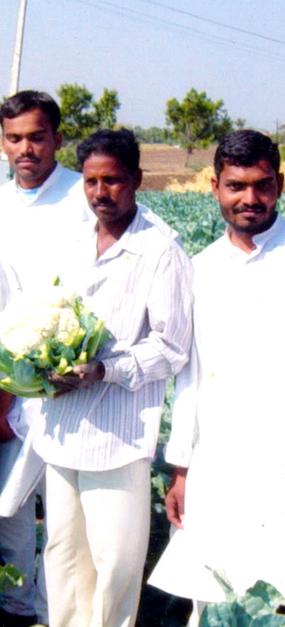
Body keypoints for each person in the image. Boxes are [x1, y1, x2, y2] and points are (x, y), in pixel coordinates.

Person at [30, 128, 193, 627]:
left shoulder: (161, 250)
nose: (102, 192)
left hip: (119, 435)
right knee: (62, 556)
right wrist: (42, 361)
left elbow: (171, 347)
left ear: (137, 181)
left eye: (114, 181)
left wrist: (105, 369)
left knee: (114, 565)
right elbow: (45, 312)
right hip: (62, 429)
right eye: (92, 181)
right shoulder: (71, 241)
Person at [148, 130, 285, 626]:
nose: (250, 199)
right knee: (215, 589)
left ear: (280, 184)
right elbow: (189, 380)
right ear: (215, 188)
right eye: (236, 186)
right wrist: (180, 468)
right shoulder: (198, 271)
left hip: (281, 457)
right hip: (219, 458)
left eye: (262, 185)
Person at [0, 89, 91, 626]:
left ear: (57, 138)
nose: (26, 148)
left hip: (73, 381)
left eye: (37, 137)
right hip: (11, 380)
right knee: (9, 508)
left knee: (64, 514)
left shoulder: (85, 196)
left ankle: (55, 614)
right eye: (14, 138)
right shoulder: (1, 202)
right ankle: (16, 606)